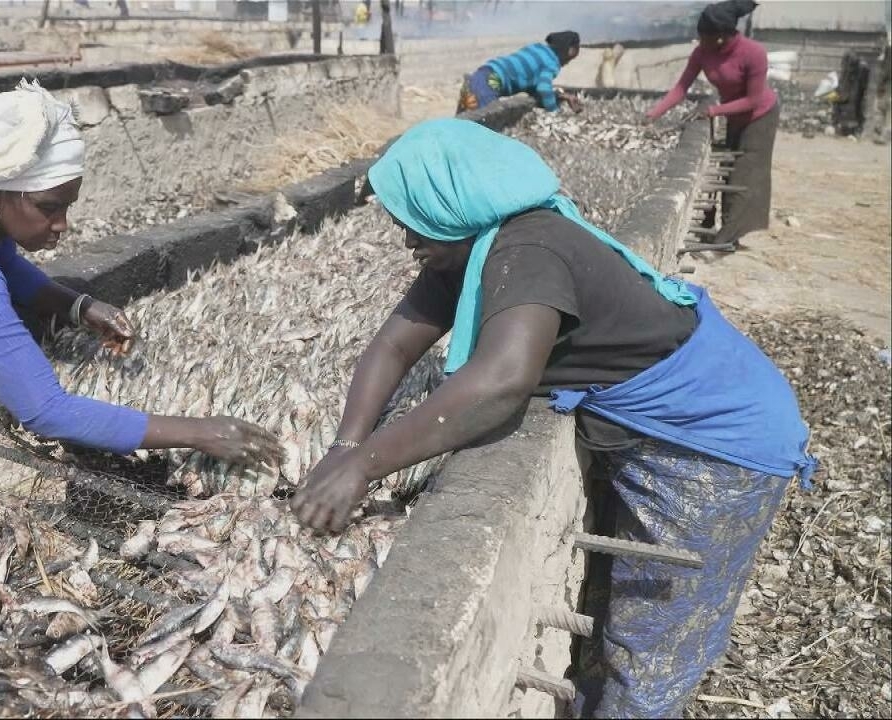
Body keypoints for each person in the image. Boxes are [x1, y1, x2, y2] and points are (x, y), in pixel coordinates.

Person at [288, 118, 816, 717]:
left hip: (719, 444)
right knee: (617, 606)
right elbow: (392, 347)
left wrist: (367, 465)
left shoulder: (529, 248)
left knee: (650, 638)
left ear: (452, 202)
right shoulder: (467, 252)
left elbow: (502, 384)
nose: (405, 238)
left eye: (411, 218)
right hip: (667, 427)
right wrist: (343, 446)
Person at [0, 81, 283, 466]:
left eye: (67, 207)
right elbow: (43, 410)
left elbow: (1, 257)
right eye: (49, 208)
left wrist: (77, 306)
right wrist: (200, 432)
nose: (61, 226)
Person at [646, 0, 777, 247]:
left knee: (745, 173)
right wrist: (653, 114)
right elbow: (681, 87)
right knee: (728, 169)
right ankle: (712, 226)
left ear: (720, 37)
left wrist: (714, 110)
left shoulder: (753, 53)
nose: (700, 42)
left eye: (703, 37)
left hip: (759, 116)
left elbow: (753, 99)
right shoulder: (702, 52)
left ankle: (728, 238)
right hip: (731, 114)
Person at [456, 31, 582, 115]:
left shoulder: (537, 49)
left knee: (459, 125)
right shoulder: (551, 63)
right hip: (488, 85)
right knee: (482, 128)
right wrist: (554, 111)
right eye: (569, 60)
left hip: (479, 76)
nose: (566, 64)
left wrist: (559, 96)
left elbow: (533, 85)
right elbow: (543, 88)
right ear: (570, 51)